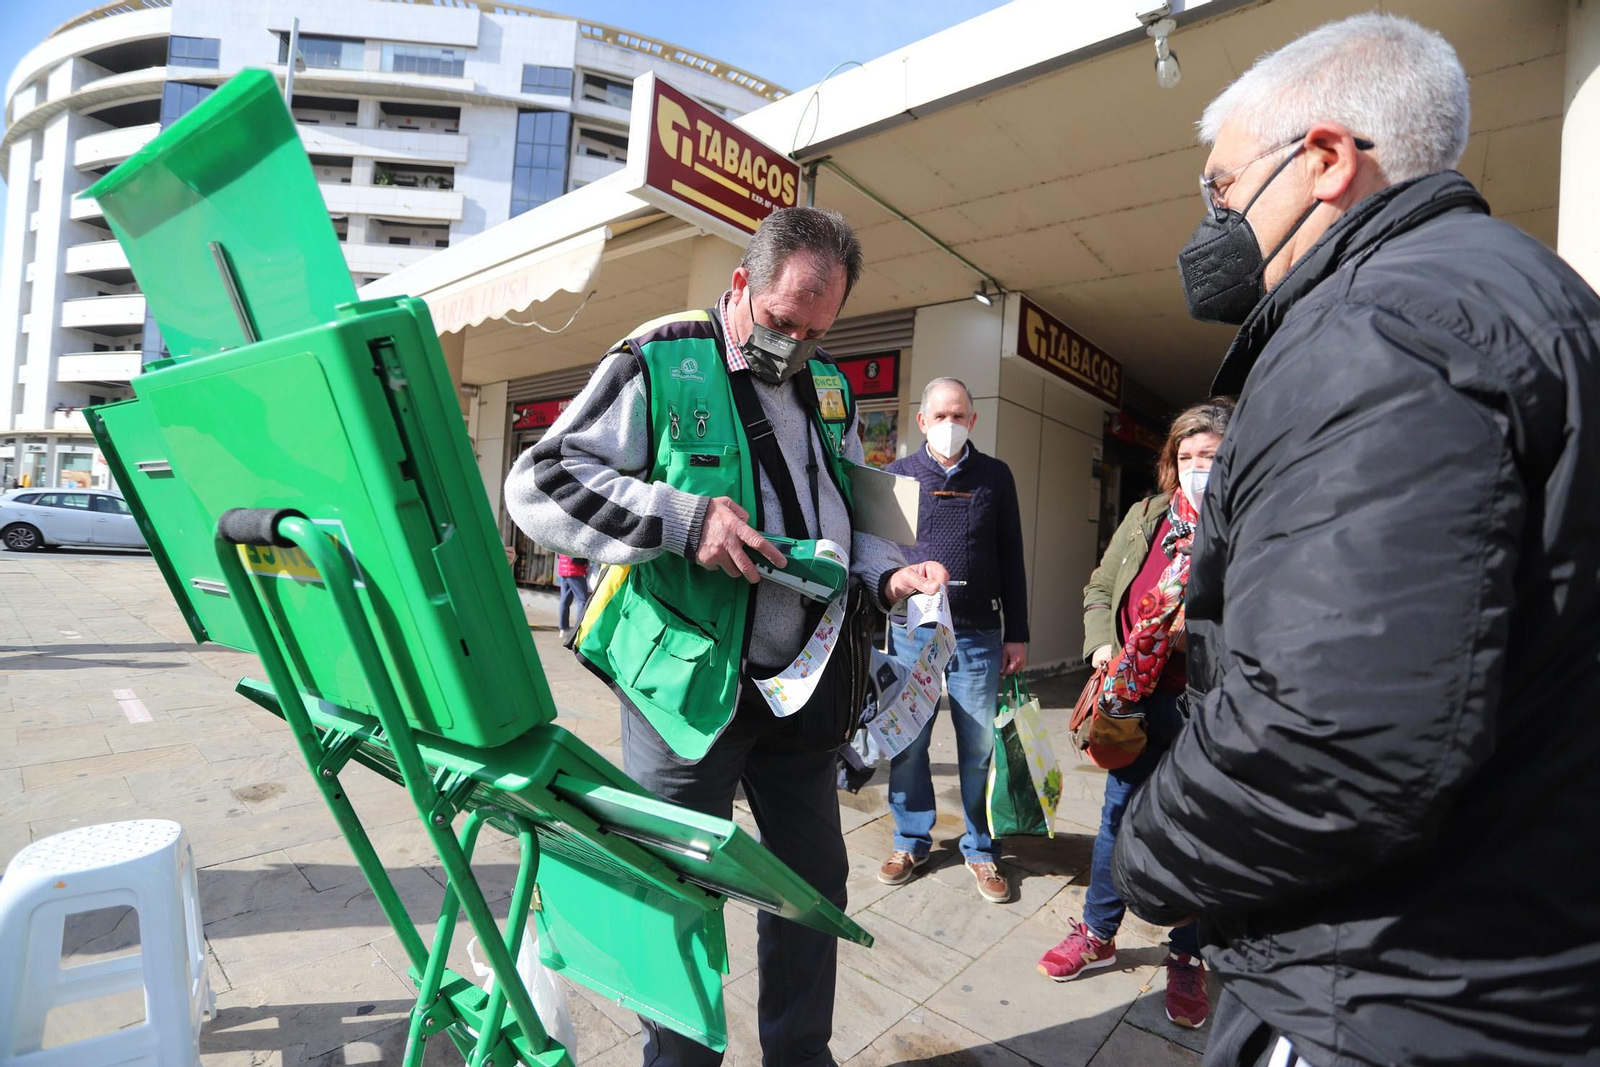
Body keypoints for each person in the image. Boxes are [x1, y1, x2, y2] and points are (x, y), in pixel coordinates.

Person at [1110, 14, 1600, 1066]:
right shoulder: (1530, 300)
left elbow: (1332, 735)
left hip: (1376, 988)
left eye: (1222, 189)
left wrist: (1147, 848)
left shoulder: (1374, 328)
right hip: (1510, 961)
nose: (1211, 224)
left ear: (1325, 158)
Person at [505, 206, 947, 1067]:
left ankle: (798, 1054)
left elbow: (851, 509)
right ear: (742, 283)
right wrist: (683, 518)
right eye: (785, 322)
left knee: (812, 886)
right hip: (686, 691)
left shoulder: (829, 386)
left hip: (799, 690)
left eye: (819, 331)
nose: (798, 344)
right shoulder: (663, 356)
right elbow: (540, 481)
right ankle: (677, 1060)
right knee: (675, 889)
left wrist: (888, 574)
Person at [1036, 399, 1231, 1033]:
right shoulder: (1148, 516)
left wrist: (1186, 636)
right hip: (1131, 700)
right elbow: (1100, 587)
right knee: (1118, 815)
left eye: (1211, 456)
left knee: (1194, 833)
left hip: (1202, 707)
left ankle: (1186, 955)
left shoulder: (1249, 527)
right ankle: (1098, 932)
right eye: (1187, 456)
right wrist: (1102, 646)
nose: (1198, 467)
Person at [876, 376, 1028, 904]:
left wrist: (1019, 632)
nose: (949, 424)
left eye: (959, 415)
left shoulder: (995, 477)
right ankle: (910, 838)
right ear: (921, 421)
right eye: (940, 416)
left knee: (978, 745)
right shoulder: (897, 476)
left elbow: (1011, 557)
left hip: (981, 634)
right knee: (909, 739)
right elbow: (883, 556)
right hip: (914, 632)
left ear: (973, 420)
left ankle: (981, 847)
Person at [554, 553, 588, 641]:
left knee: (564, 600)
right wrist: (585, 561)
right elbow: (574, 558)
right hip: (575, 571)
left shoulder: (561, 540)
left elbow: (558, 555)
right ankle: (579, 629)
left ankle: (563, 628)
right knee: (583, 600)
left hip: (563, 570)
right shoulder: (574, 539)